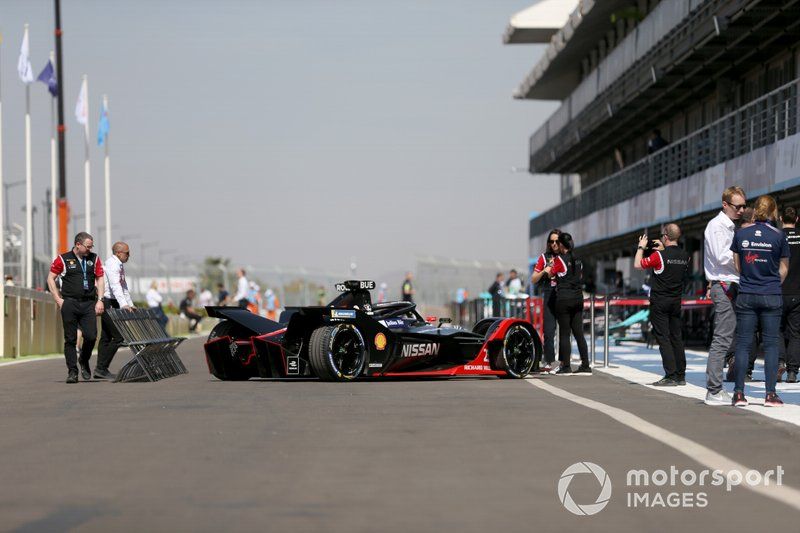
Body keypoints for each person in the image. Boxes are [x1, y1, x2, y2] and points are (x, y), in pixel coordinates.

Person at [730, 195, 788, 407]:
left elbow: (737, 266)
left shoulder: (741, 233)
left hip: (746, 292)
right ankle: (770, 394)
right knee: (771, 344)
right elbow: (784, 268)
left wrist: (751, 278)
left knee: (744, 344)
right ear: (773, 212)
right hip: (771, 293)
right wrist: (771, 281)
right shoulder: (779, 236)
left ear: (755, 211)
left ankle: (738, 394)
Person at [703, 186, 746, 405]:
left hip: (732, 283)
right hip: (724, 284)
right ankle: (713, 389)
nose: (741, 210)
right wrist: (747, 256)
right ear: (725, 205)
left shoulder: (730, 227)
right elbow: (721, 257)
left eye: (744, 206)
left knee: (733, 335)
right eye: (737, 206)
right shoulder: (717, 226)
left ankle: (719, 386)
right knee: (723, 336)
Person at [634, 224, 690, 386]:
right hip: (675, 301)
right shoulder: (686, 255)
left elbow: (638, 264)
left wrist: (641, 247)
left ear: (665, 236)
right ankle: (680, 375)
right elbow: (672, 261)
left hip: (660, 301)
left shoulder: (659, 256)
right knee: (676, 337)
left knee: (663, 338)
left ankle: (670, 375)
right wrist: (661, 250)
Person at [46, 232, 105, 384]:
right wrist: (58, 300)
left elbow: (100, 278)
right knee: (70, 339)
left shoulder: (94, 258)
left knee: (91, 336)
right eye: (88, 246)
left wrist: (100, 300)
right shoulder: (63, 259)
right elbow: (50, 278)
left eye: (92, 246)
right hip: (69, 303)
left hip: (88, 303)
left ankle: (84, 360)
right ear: (78, 244)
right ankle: (72, 371)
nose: (90, 249)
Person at [547, 232, 591, 374]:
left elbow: (551, 274)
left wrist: (551, 265)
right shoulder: (579, 259)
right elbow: (581, 275)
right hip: (578, 298)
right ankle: (585, 364)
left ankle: (566, 366)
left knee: (565, 333)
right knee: (579, 332)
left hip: (564, 299)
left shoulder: (560, 259)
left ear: (561, 245)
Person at [97, 241, 134, 380]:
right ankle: (101, 368)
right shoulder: (112, 264)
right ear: (118, 253)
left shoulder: (119, 265)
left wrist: (130, 303)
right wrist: (124, 305)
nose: (129, 256)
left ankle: (100, 369)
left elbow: (124, 286)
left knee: (106, 336)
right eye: (127, 253)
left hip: (114, 301)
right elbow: (115, 286)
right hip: (108, 301)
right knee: (118, 336)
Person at [531, 229, 561, 371]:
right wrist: (544, 270)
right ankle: (549, 360)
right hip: (549, 294)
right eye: (551, 241)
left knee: (565, 330)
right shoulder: (544, 257)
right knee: (549, 331)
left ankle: (564, 363)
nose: (554, 244)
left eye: (557, 241)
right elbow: (533, 278)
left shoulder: (566, 256)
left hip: (564, 294)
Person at [780, 206, 800, 383]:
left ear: (780, 219)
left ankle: (779, 362)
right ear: (797, 219)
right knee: (795, 333)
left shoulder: (776, 236)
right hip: (797, 292)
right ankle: (793, 371)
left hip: (778, 290)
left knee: (777, 330)